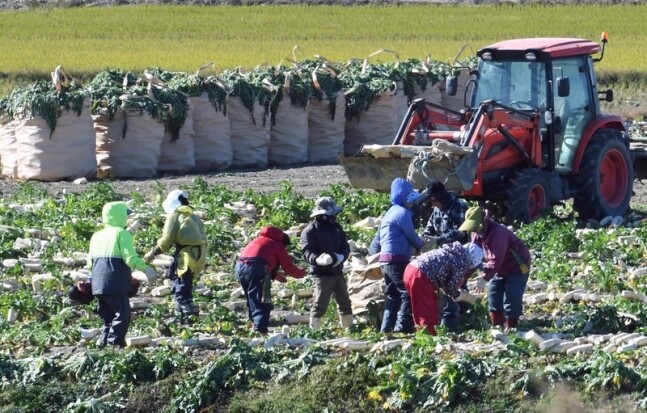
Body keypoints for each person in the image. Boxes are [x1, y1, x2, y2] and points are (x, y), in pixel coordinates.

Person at [87, 201, 157, 347]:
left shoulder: (96, 235)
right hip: (115, 281)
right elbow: (130, 258)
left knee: (108, 317)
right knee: (122, 315)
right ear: (119, 216)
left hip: (98, 283)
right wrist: (146, 269)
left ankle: (103, 343)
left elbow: (89, 263)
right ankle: (114, 346)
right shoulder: (121, 233)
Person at [458, 206, 531, 330]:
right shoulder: (476, 233)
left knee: (511, 295)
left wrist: (485, 278)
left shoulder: (498, 233)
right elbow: (473, 257)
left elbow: (496, 260)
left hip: (516, 265)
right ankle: (497, 324)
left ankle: (512, 325)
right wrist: (463, 278)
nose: (473, 230)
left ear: (482, 223)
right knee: (494, 292)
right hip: (498, 268)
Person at [369, 178, 425, 333]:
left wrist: (372, 253)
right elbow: (411, 235)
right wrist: (421, 244)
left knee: (392, 296)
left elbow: (376, 242)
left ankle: (385, 330)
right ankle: (403, 328)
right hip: (397, 259)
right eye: (409, 199)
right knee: (407, 293)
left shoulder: (390, 212)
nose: (411, 203)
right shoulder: (403, 213)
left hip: (385, 261)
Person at [144, 189, 207, 325]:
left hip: (187, 256)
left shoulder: (176, 215)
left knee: (181, 288)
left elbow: (167, 240)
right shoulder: (192, 215)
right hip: (198, 254)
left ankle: (190, 320)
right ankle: (180, 318)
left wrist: (152, 253)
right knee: (182, 284)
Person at [236, 226, 306, 335]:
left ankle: (254, 323)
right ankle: (261, 330)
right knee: (263, 299)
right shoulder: (278, 245)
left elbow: (261, 258)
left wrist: (278, 277)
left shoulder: (258, 240)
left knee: (252, 297)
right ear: (284, 243)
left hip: (240, 267)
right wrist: (303, 273)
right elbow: (289, 268)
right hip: (257, 268)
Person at [420, 180, 470, 331]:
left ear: (437, 197)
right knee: (452, 286)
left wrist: (439, 240)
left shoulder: (459, 206)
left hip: (458, 255)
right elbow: (430, 228)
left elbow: (461, 232)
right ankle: (465, 311)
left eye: (432, 199)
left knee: (455, 284)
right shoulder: (436, 210)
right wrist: (425, 239)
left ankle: (453, 321)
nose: (430, 203)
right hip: (443, 256)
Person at [403, 242, 483, 335]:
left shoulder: (452, 252)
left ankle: (423, 333)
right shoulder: (461, 262)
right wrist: (459, 295)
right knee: (427, 310)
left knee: (420, 308)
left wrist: (450, 291)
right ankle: (428, 337)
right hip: (421, 276)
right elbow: (451, 286)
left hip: (410, 270)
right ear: (472, 260)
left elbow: (445, 280)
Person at [301, 196, 353, 330]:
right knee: (320, 304)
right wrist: (318, 260)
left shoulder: (336, 227)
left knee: (345, 302)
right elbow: (307, 252)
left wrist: (341, 256)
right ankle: (314, 330)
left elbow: (345, 246)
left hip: (338, 271)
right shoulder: (310, 231)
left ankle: (348, 328)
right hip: (322, 274)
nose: (333, 216)